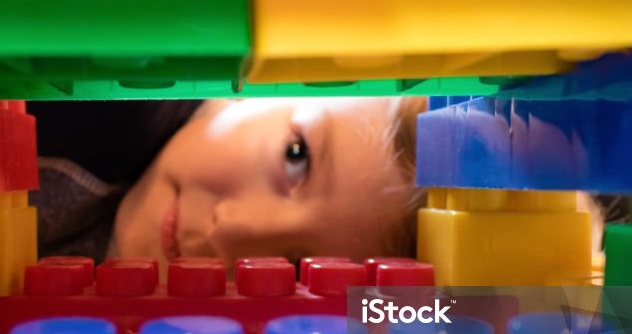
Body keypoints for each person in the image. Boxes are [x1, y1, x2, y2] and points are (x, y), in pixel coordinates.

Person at [29, 97, 427, 273]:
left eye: (293, 269)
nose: (231, 228)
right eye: (294, 155)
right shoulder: (104, 102)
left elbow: (481, 327)